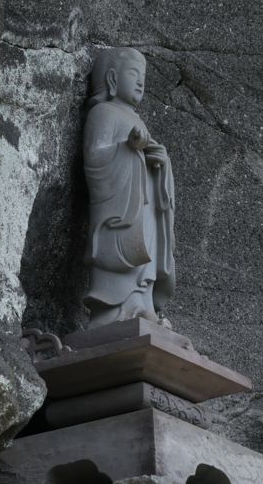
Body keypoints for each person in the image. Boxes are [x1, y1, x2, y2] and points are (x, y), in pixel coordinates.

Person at [82, 48, 175, 328]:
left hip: (143, 205)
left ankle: (143, 305)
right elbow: (94, 158)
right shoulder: (103, 113)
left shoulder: (137, 119)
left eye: (143, 77)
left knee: (145, 253)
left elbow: (150, 161)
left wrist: (161, 163)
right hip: (120, 209)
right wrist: (127, 149)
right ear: (112, 77)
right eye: (133, 74)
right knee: (127, 250)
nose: (140, 83)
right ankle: (114, 312)